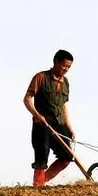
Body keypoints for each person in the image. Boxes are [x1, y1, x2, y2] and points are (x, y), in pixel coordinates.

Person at [23, 49, 76, 186]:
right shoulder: (41, 77)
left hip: (59, 124)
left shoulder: (66, 83)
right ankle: (38, 185)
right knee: (42, 157)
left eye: (69, 67)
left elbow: (63, 106)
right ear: (56, 62)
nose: (66, 69)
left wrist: (69, 127)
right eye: (64, 65)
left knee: (67, 156)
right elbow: (27, 99)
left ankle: (43, 181)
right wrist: (37, 115)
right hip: (42, 124)